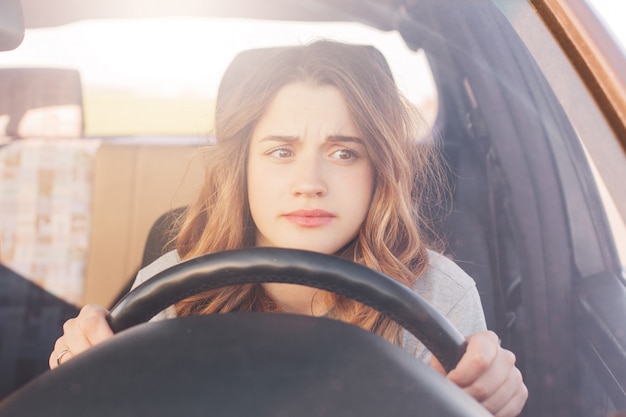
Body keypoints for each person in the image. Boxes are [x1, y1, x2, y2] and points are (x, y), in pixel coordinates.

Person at [50, 41, 527, 416]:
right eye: (281, 152)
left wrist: (487, 398)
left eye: (344, 153)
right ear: (243, 168)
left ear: (379, 169)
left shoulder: (439, 298)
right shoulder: (168, 286)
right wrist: (77, 371)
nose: (310, 184)